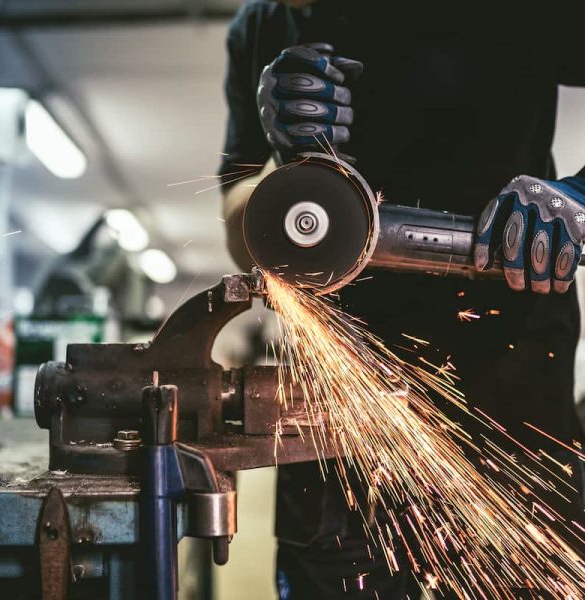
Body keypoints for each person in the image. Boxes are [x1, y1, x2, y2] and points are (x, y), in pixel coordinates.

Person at [219, 2, 585, 598]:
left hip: (510, 423)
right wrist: (285, 181)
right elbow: (239, 233)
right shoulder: (259, 26)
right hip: (333, 434)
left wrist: (582, 192)